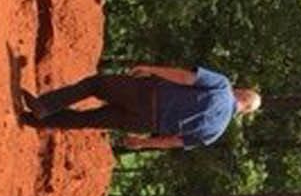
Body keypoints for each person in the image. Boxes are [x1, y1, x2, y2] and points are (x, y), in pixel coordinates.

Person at [19, 63, 260, 150]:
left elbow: (185, 77)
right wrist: (142, 142)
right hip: (145, 123)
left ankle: (43, 106)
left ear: (241, 93)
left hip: (147, 95)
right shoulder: (215, 133)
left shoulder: (222, 87)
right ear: (245, 111)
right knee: (89, 119)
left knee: (97, 85)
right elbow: (175, 142)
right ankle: (33, 121)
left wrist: (152, 69)